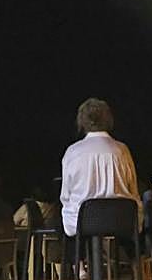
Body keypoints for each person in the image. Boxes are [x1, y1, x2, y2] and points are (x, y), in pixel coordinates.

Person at [59, 98, 139, 241]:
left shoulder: (73, 152)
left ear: (82, 122)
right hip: (121, 221)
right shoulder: (122, 150)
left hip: (82, 223)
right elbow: (133, 189)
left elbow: (65, 196)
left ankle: (74, 261)